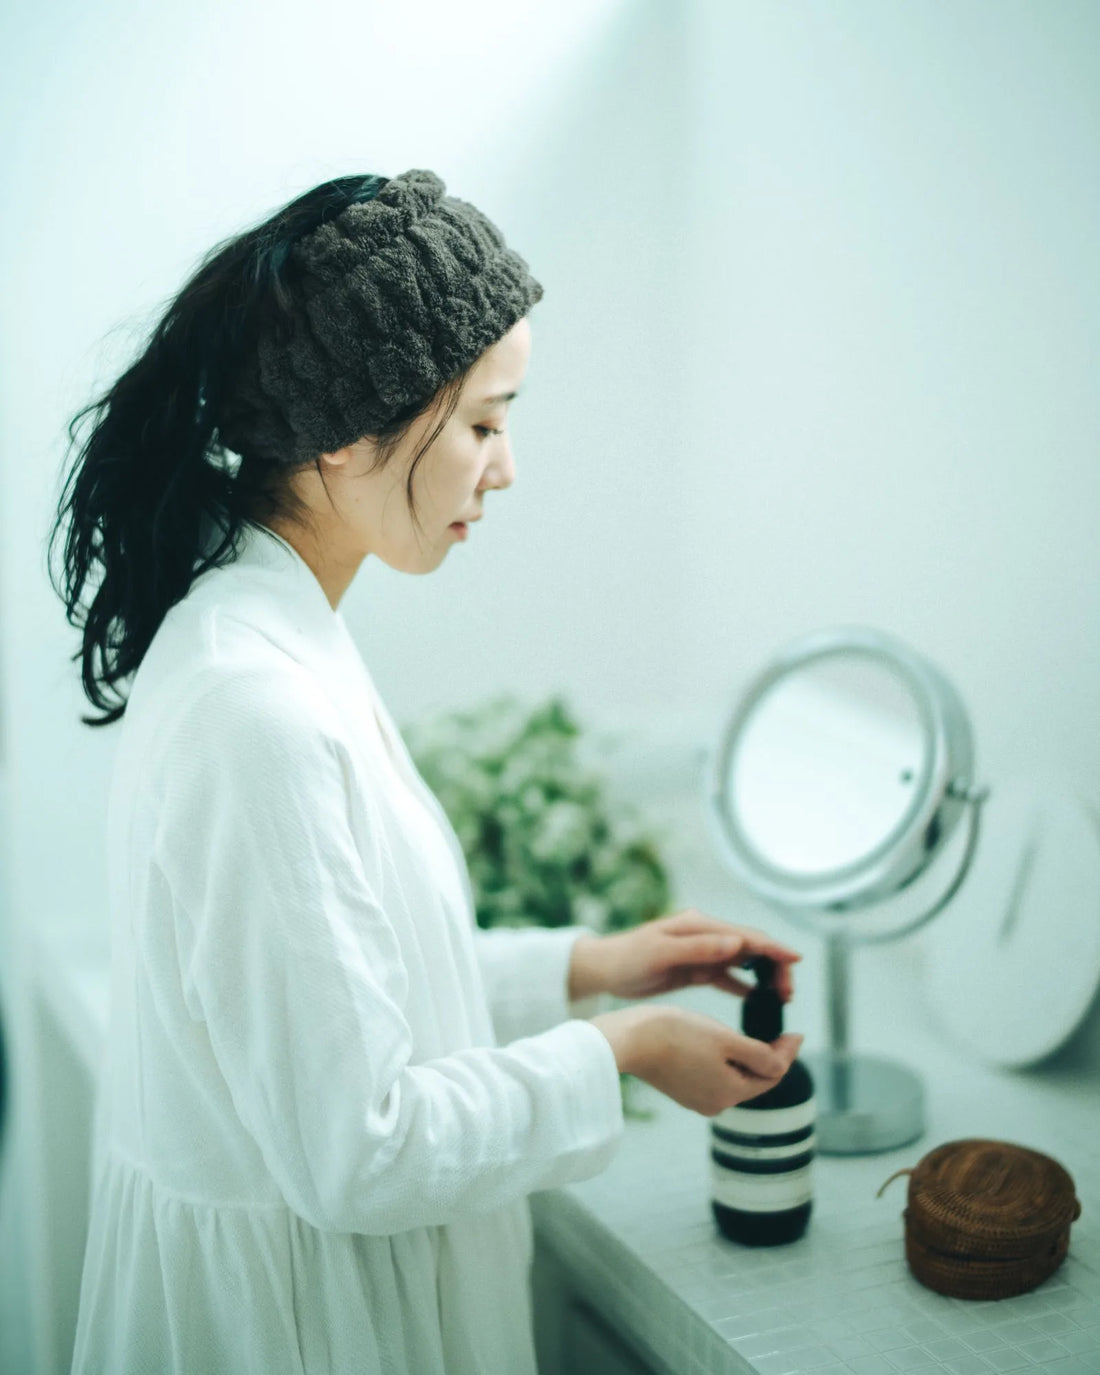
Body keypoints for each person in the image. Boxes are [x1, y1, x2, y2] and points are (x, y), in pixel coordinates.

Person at [49, 168, 804, 1375]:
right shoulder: (259, 713)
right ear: (346, 433)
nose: (504, 469)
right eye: (485, 423)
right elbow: (364, 1147)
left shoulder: (262, 636)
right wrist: (621, 1048)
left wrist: (589, 967)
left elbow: (348, 993)